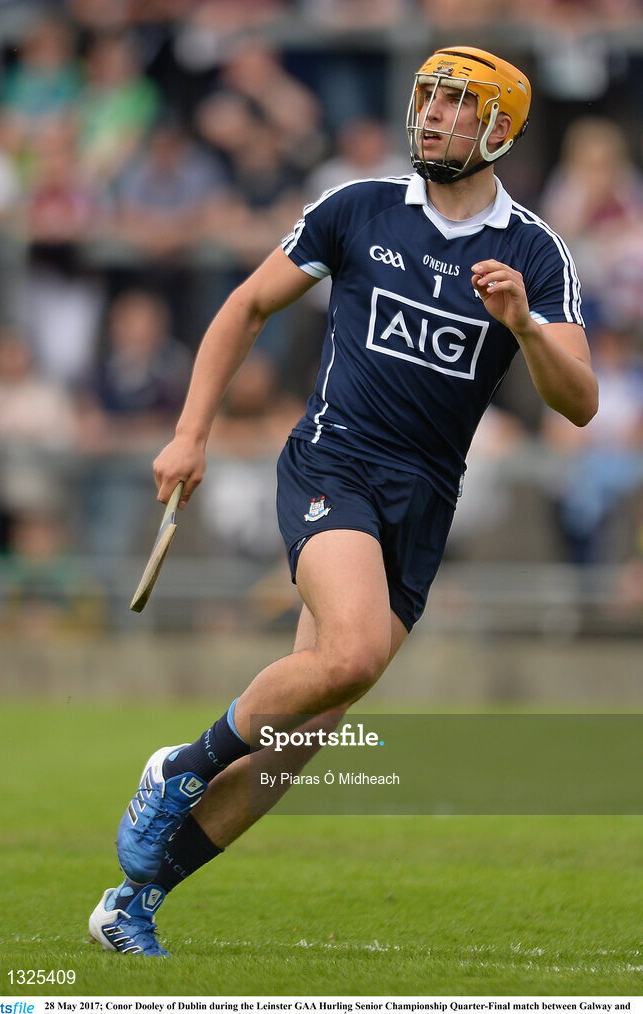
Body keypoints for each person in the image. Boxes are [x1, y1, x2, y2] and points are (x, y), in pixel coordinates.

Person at [89, 45, 598, 956]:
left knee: (297, 745)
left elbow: (579, 401)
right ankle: (179, 765)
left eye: (456, 103)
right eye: (428, 97)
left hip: (424, 502)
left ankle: (132, 898)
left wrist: (522, 325)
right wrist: (191, 431)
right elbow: (246, 306)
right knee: (354, 646)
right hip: (334, 463)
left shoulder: (532, 252)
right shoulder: (355, 209)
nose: (433, 114)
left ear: (500, 128)